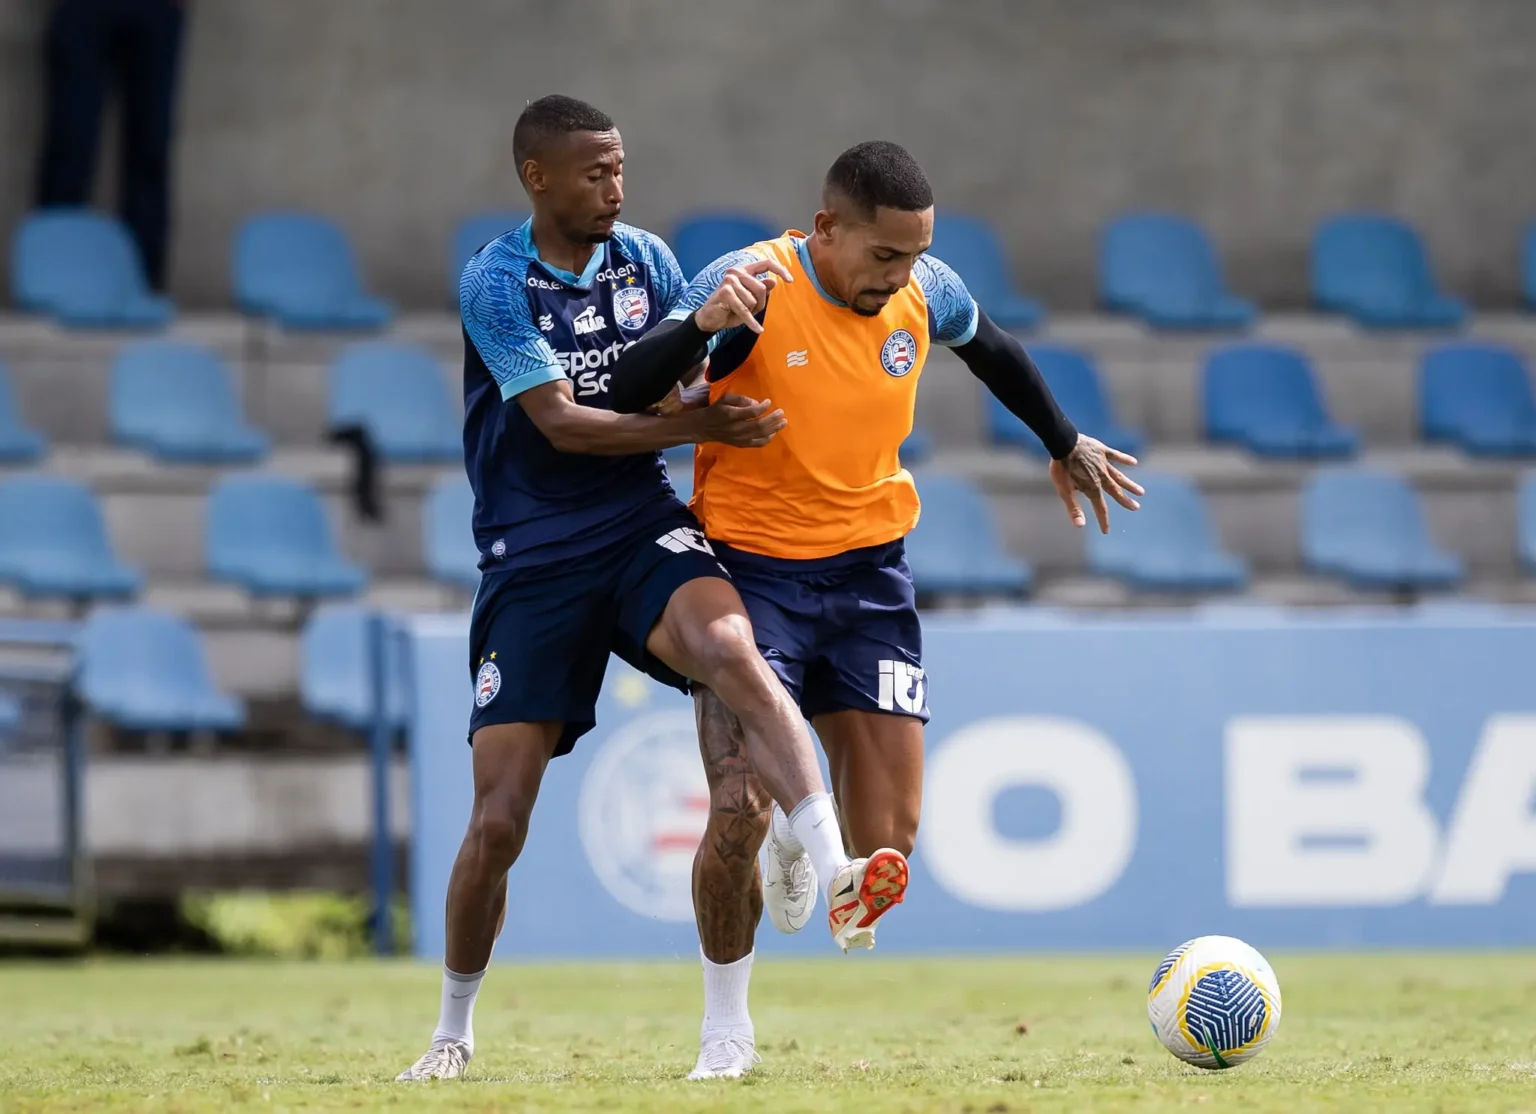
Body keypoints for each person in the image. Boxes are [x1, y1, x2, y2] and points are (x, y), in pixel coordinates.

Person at [396, 100, 910, 1084]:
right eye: (593, 172)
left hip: (641, 526)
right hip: (533, 552)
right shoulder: (497, 283)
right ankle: (453, 1029)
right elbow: (561, 425)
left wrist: (709, 376)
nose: (615, 187)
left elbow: (675, 381)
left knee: (734, 653)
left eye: (621, 168)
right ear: (537, 176)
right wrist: (705, 430)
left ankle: (822, 877)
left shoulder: (651, 262)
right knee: (499, 820)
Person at [609, 140, 1143, 1075]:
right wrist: (696, 332)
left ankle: (794, 827)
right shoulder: (754, 285)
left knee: (887, 849)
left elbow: (996, 352)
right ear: (826, 229)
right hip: (748, 571)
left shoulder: (922, 289)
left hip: (868, 580)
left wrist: (1062, 441)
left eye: (915, 254)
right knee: (732, 799)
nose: (902, 276)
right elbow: (634, 380)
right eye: (884, 256)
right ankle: (724, 1029)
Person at [35, 0, 187, 290]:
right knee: (70, 147)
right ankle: (53, 277)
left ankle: (140, 286)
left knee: (150, 151)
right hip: (83, 8)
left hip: (156, 11)